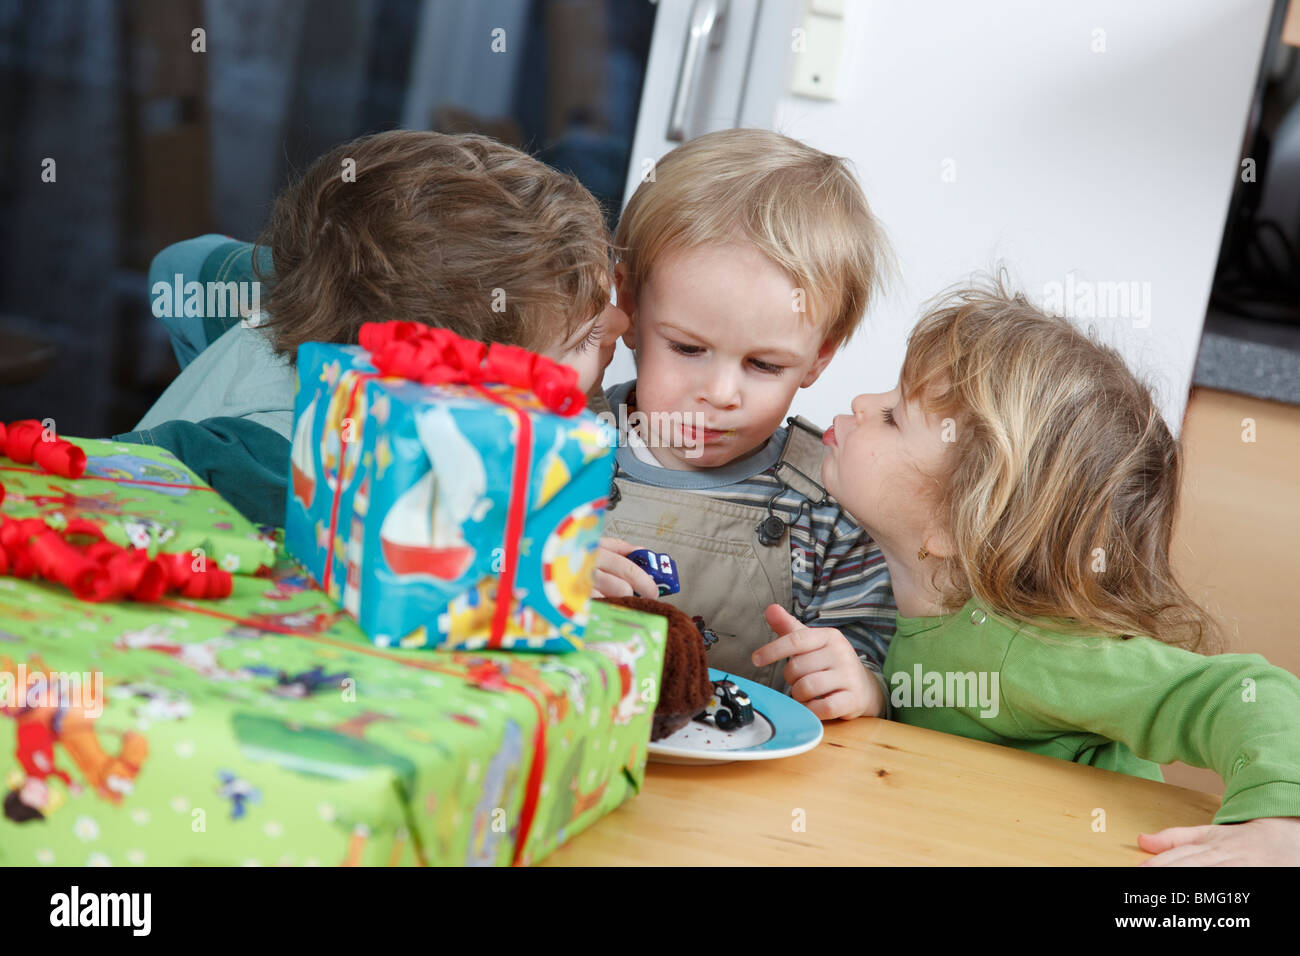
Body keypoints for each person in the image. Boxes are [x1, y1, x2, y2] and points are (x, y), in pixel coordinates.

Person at [815, 278, 1300, 864]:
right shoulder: (926, 605)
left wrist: (1279, 825)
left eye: (893, 417)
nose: (864, 404)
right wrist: (877, 700)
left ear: (953, 525)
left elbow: (1246, 693)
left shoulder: (1029, 648)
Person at [117, 130, 626, 526]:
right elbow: (86, 481)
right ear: (446, 391)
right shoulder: (289, 471)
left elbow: (179, 264)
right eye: (581, 340)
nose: (621, 323)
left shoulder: (271, 310)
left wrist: (328, 280)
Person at [594, 129, 896, 720]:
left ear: (819, 357)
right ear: (627, 307)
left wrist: (863, 686)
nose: (721, 394)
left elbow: (875, 657)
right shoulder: (554, 447)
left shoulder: (828, 505)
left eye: (763, 364)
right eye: (687, 348)